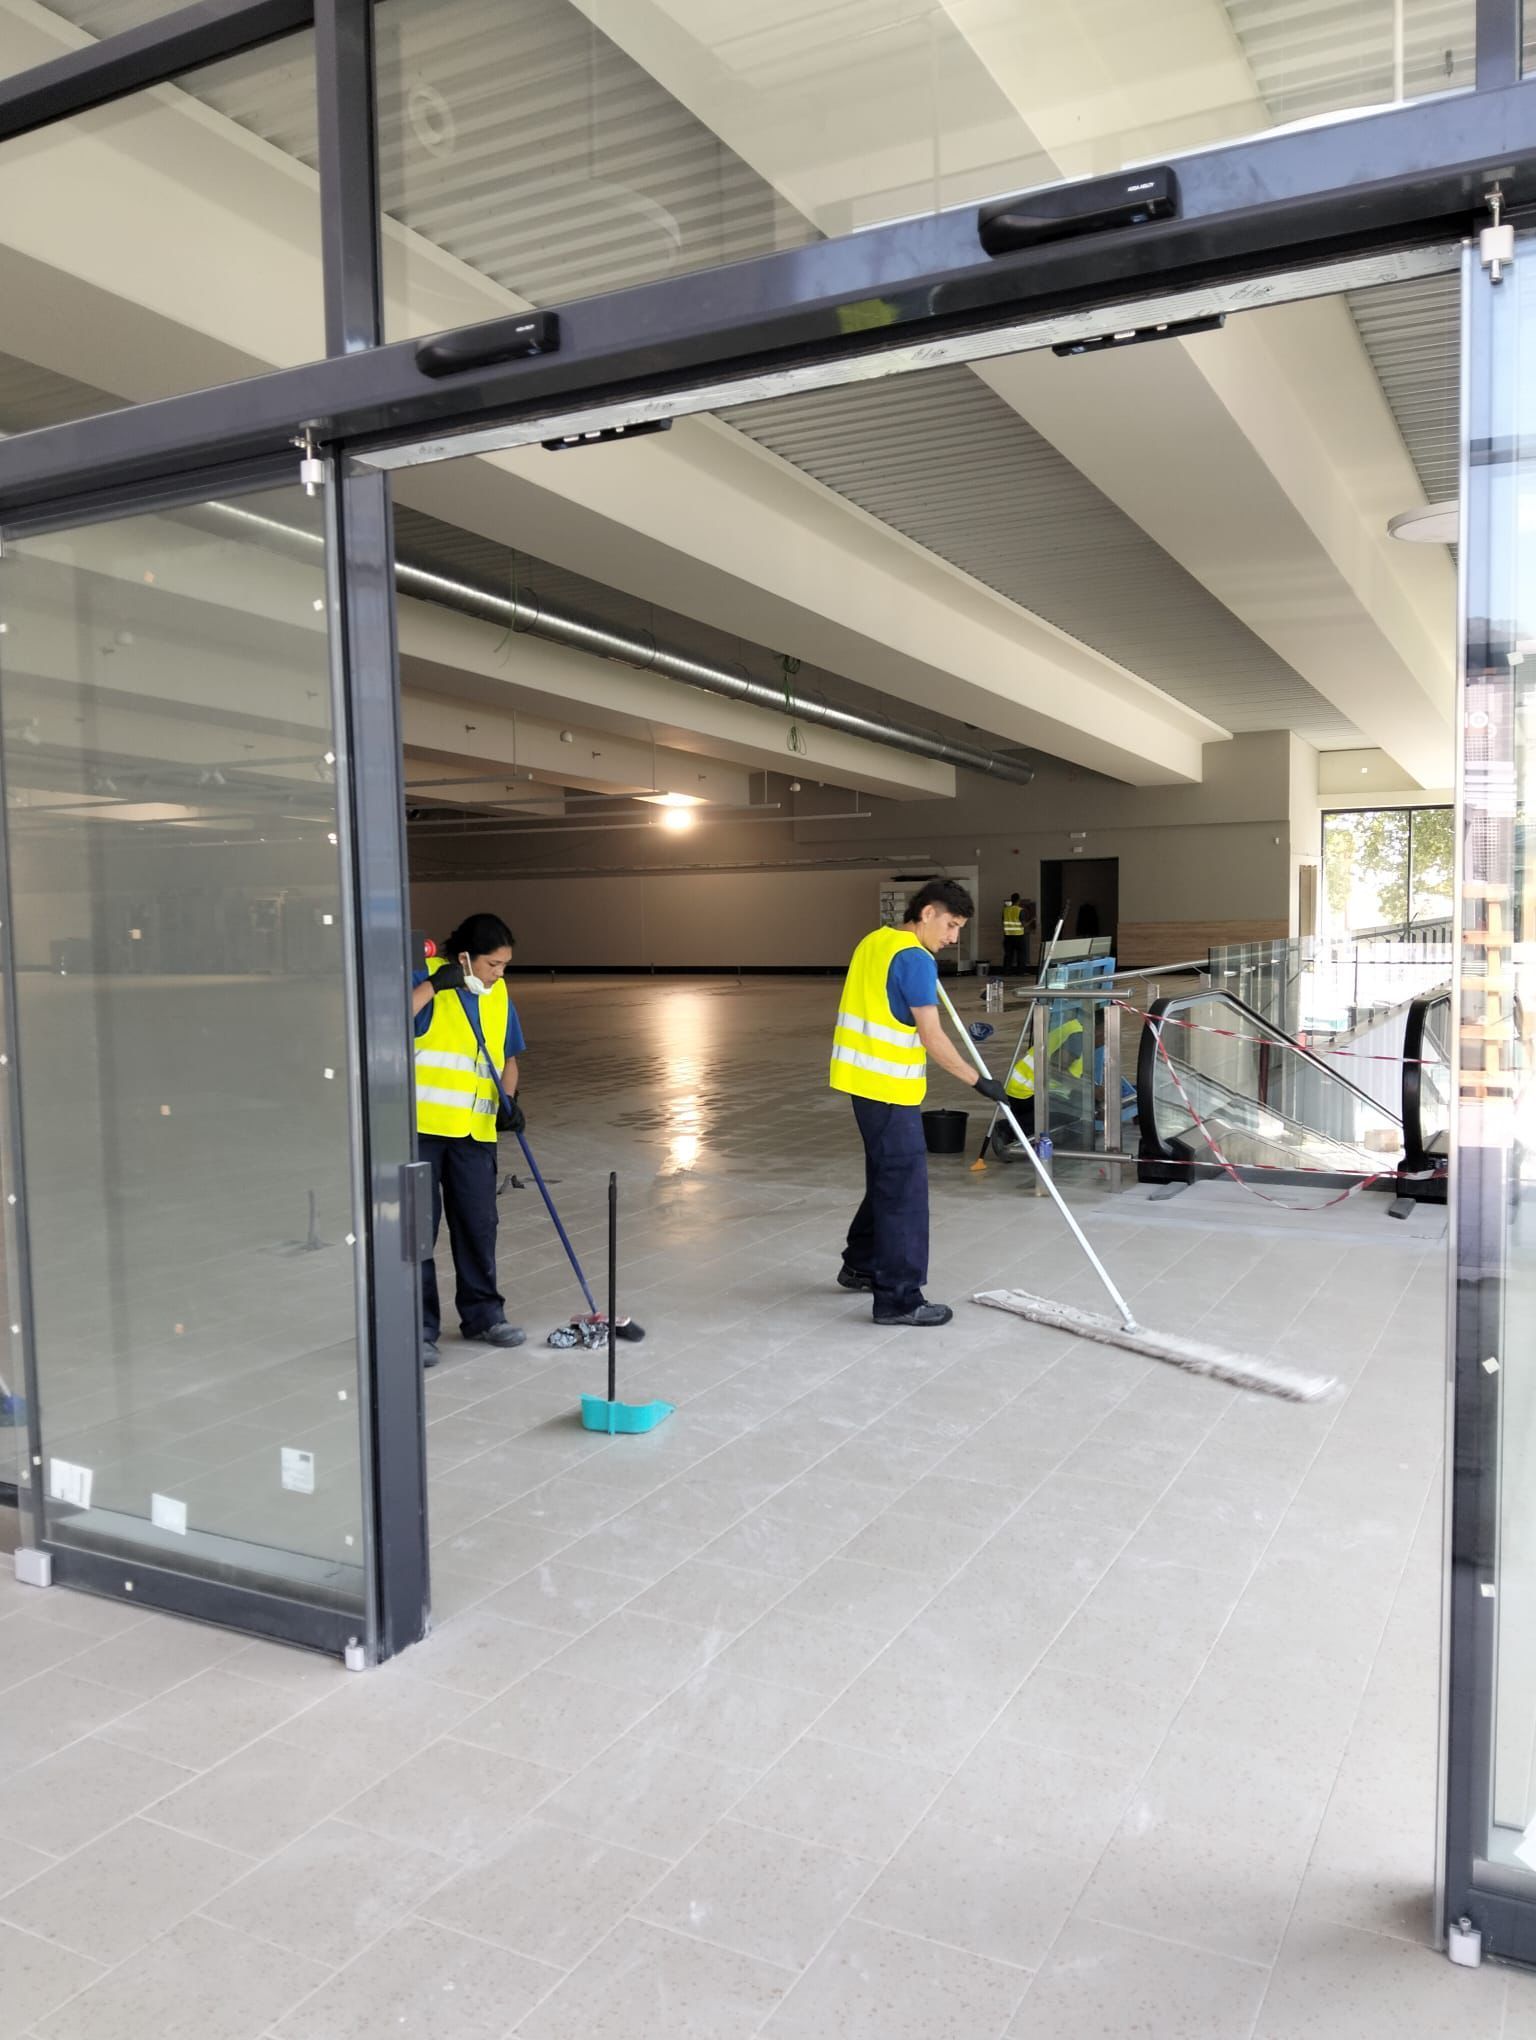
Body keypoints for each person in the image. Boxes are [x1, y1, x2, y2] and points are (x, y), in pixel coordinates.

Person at [830, 879, 1009, 1327]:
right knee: (905, 1194)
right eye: (951, 925)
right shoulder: (915, 959)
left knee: (886, 1178)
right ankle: (899, 1299)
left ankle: (861, 1264)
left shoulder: (875, 941)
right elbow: (932, 1037)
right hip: (891, 1090)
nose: (954, 937)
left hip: (860, 1082)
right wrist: (980, 1082)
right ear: (927, 913)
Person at [410, 913, 527, 1368]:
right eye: (493, 964)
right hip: (421, 1131)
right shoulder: (425, 979)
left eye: (504, 965)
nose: (499, 973)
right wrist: (435, 986)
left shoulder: (498, 994)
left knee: (479, 1226)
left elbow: (507, 1056)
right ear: (465, 958)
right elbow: (384, 1022)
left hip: (475, 1134)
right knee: (418, 1233)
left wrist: (509, 1102)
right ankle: (419, 1328)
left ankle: (484, 1316)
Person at [1001, 893, 1025, 974]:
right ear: (1018, 900)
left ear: (1011, 900)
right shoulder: (1020, 910)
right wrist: (1032, 920)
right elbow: (1023, 924)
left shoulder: (1005, 910)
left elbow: (1003, 921)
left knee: (1008, 954)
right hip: (1019, 935)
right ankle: (1020, 972)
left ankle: (1006, 971)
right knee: (1020, 954)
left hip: (1008, 935)